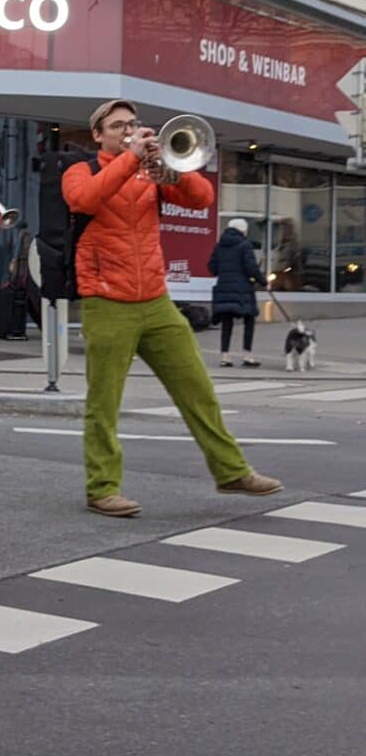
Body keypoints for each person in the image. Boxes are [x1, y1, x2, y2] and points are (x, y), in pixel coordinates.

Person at [64, 102, 282, 518]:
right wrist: (130, 160)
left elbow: (202, 198)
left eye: (132, 124)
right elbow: (85, 201)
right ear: (98, 135)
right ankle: (101, 487)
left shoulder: (150, 173)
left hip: (156, 301)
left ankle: (232, 471)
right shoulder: (82, 170)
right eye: (117, 126)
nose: (128, 131)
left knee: (197, 388)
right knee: (104, 402)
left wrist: (173, 170)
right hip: (106, 301)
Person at [209, 216, 263, 368]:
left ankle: (225, 356)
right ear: (243, 230)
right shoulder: (245, 245)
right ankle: (247, 355)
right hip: (243, 289)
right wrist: (263, 281)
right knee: (249, 320)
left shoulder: (219, 246)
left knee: (227, 322)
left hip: (224, 288)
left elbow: (212, 268)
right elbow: (251, 267)